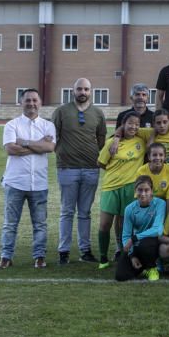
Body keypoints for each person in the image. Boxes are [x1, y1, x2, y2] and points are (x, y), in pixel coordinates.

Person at [0, 89, 56, 270]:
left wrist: (23, 142)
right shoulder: (12, 125)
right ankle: (6, 256)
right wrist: (38, 144)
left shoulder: (48, 126)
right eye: (28, 100)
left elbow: (50, 147)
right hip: (15, 182)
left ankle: (39, 256)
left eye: (34, 100)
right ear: (21, 102)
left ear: (40, 103)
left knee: (40, 224)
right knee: (10, 224)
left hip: (38, 183)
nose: (31, 103)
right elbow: (10, 149)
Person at [52, 77, 107, 265]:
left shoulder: (98, 113)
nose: (82, 92)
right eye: (79, 89)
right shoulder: (61, 111)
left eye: (86, 89)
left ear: (91, 91)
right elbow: (53, 138)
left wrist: (91, 154)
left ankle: (85, 250)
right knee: (67, 211)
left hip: (91, 169)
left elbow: (101, 139)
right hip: (67, 168)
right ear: (73, 91)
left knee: (85, 212)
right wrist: (64, 153)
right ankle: (63, 251)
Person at [96, 112, 147, 268]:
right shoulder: (112, 142)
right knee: (105, 224)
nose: (133, 127)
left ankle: (122, 252)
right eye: (130, 123)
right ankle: (103, 258)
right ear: (123, 125)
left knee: (124, 223)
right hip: (111, 187)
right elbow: (101, 163)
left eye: (137, 124)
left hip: (131, 187)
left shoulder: (141, 141)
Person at [115, 175, 165, 282]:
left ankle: (152, 267)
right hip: (136, 246)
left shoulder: (160, 204)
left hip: (152, 243)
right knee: (121, 276)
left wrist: (135, 238)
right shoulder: (129, 209)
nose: (143, 194)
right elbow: (126, 236)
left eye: (146, 190)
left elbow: (158, 230)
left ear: (152, 191)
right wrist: (132, 255)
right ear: (135, 191)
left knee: (145, 243)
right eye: (140, 190)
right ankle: (142, 267)